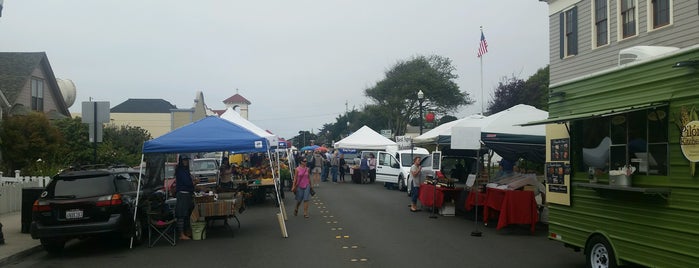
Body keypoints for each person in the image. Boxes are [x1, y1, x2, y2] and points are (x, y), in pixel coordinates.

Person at [175, 155, 196, 240]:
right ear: (181, 161)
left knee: (187, 214)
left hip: (187, 194)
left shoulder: (186, 170)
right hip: (182, 194)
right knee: (181, 215)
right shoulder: (181, 171)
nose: (186, 162)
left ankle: (187, 232)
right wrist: (194, 182)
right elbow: (187, 183)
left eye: (187, 160)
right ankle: (181, 234)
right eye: (184, 160)